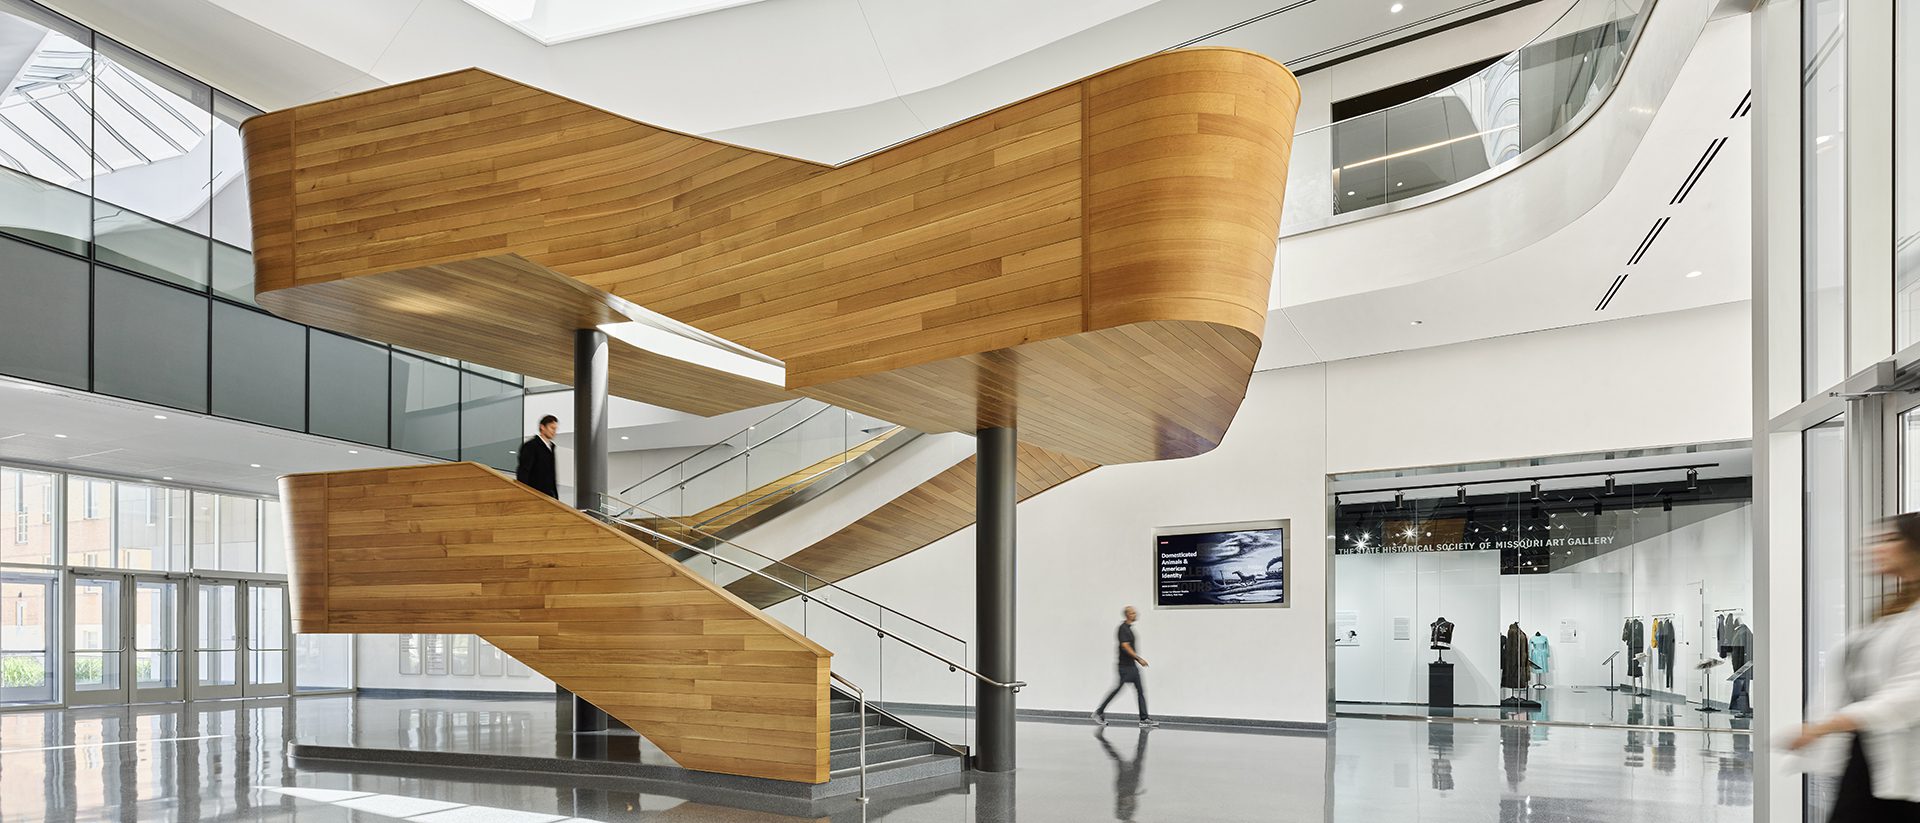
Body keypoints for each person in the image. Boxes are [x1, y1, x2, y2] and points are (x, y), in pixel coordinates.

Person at [1787, 513, 1920, 821]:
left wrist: (1828, 725)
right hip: (1870, 755)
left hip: (1902, 765)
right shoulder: (1894, 608)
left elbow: (1911, 694)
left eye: (1891, 539)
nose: (1876, 548)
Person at [1094, 606, 1158, 727]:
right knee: (1119, 690)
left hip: (1131, 666)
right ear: (1127, 615)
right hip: (1125, 667)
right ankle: (1099, 712)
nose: (1135, 614)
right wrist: (1139, 659)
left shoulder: (1128, 628)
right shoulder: (1123, 629)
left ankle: (1144, 719)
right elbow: (1125, 646)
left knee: (1139, 691)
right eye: (1132, 613)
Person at [515, 415, 560, 499]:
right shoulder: (531, 446)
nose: (554, 431)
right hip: (535, 496)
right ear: (542, 427)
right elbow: (523, 471)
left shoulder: (551, 448)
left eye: (555, 429)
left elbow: (551, 476)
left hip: (549, 497)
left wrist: (555, 497)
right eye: (552, 428)